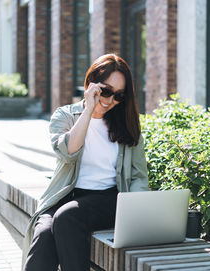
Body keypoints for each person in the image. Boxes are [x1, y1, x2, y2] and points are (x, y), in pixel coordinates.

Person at [22, 53, 149, 271]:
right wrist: (88, 110)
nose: (109, 101)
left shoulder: (126, 124)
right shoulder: (65, 115)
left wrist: (137, 211)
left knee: (67, 217)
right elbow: (67, 152)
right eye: (105, 91)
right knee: (43, 234)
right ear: (91, 84)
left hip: (109, 198)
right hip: (66, 195)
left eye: (118, 96)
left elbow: (138, 176)